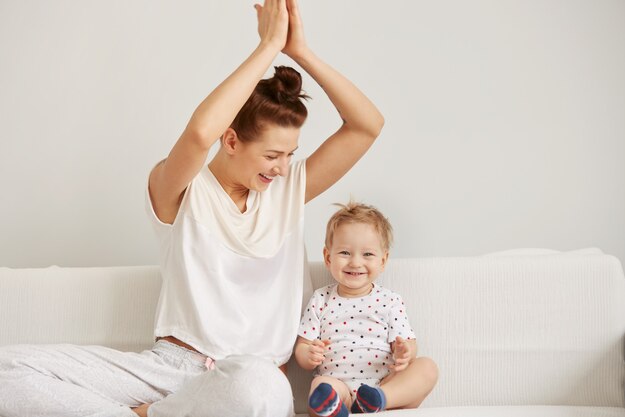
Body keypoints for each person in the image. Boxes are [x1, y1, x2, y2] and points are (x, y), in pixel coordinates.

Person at [0, 0, 383, 416]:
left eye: (291, 154)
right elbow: (200, 133)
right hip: (168, 369)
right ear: (231, 140)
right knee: (7, 370)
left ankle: (150, 414)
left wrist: (300, 52)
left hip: (249, 382)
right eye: (273, 155)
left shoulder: (288, 189)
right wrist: (266, 48)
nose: (283, 167)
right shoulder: (180, 190)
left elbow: (367, 125)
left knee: (258, 385)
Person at [294, 202, 438, 416]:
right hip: (337, 382)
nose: (355, 262)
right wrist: (309, 354)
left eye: (367, 255)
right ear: (327, 257)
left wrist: (404, 352)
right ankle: (334, 407)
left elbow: (408, 343)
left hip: (383, 382)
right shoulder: (321, 299)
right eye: (345, 252)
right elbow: (303, 347)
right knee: (320, 386)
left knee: (427, 367)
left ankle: (379, 399)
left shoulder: (390, 300)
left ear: (383, 260)